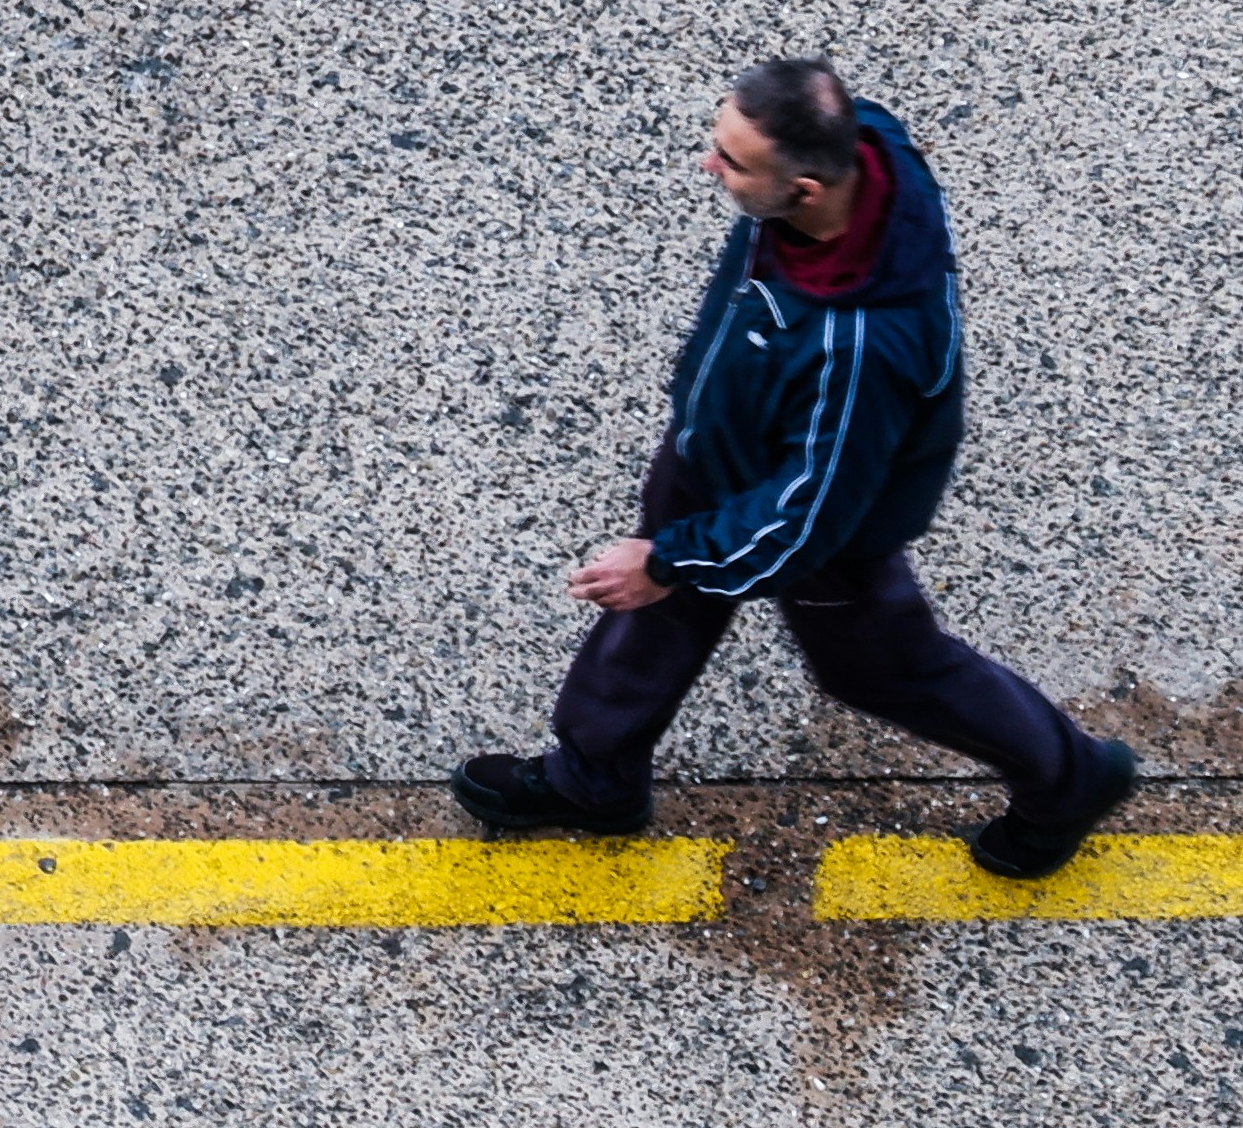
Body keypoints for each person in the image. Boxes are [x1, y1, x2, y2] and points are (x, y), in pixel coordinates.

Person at [451, 56, 1141, 876]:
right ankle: (593, 781)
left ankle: (1071, 778)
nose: (709, 166)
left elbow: (807, 515)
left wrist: (673, 559)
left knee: (883, 668)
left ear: (807, 190)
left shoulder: (860, 348)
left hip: (822, 522)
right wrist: (672, 550)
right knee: (653, 612)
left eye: (731, 161)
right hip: (724, 446)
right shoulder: (859, 141)